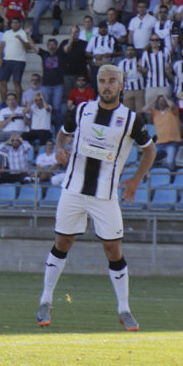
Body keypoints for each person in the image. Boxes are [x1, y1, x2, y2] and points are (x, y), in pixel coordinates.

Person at [37, 65, 156, 332]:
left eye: (112, 81)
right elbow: (63, 135)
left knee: (113, 250)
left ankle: (124, 309)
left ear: (121, 85)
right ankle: (46, 300)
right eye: (102, 81)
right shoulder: (81, 110)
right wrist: (59, 149)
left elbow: (150, 151)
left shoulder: (131, 119)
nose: (107, 85)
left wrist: (136, 180)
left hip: (105, 194)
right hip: (73, 189)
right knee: (62, 242)